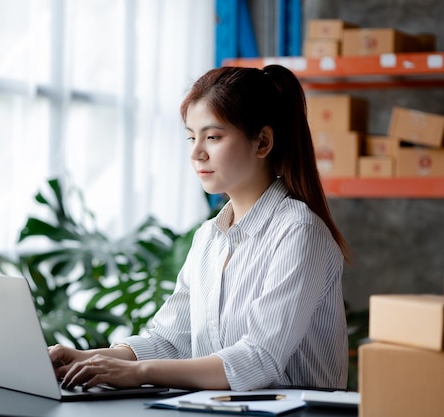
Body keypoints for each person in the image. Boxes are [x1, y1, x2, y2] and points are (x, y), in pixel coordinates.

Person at [48, 65, 349, 392]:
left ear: (262, 142)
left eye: (213, 137)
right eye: (192, 137)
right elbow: (169, 339)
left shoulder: (299, 231)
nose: (196, 153)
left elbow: (260, 359)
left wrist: (140, 373)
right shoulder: (209, 237)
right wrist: (87, 358)